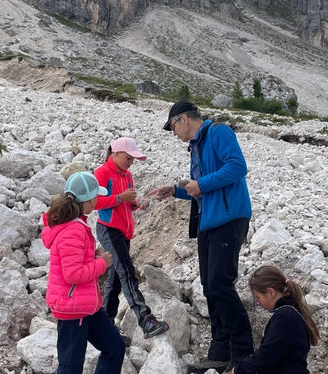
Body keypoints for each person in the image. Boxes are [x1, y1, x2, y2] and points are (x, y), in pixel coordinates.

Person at [150, 101, 253, 373]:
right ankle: (220, 352)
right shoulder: (195, 147)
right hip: (209, 222)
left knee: (220, 284)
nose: (173, 132)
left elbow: (238, 167)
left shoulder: (218, 133)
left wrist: (201, 184)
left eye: (172, 126)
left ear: (184, 119)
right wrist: (175, 190)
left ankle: (244, 354)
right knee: (210, 286)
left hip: (230, 219)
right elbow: (199, 189)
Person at [41, 171, 125, 374]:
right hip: (73, 309)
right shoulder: (74, 229)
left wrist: (91, 257)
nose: (98, 198)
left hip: (86, 305)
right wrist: (101, 263)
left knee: (115, 347)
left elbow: (72, 260)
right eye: (96, 195)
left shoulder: (73, 223)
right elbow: (73, 275)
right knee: (71, 367)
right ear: (87, 200)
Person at [94, 136, 169, 341]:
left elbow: (126, 203)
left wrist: (136, 204)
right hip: (109, 229)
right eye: (128, 158)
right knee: (127, 271)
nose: (131, 162)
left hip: (123, 232)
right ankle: (145, 319)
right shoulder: (102, 173)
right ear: (115, 154)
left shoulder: (127, 175)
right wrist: (121, 198)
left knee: (117, 278)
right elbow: (94, 202)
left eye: (133, 159)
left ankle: (104, 325)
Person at [232, 265, 319, 373]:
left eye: (258, 297)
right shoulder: (291, 312)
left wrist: (238, 370)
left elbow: (266, 356)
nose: (259, 303)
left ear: (271, 292)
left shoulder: (285, 318)